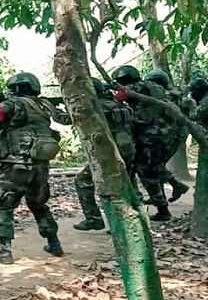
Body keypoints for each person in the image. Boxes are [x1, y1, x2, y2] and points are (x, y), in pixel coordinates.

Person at [0, 72, 72, 264]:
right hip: (40, 165)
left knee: (4, 204)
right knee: (38, 203)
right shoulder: (44, 104)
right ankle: (54, 243)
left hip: (16, 165)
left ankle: (5, 251)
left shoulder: (12, 104)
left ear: (15, 89)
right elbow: (66, 119)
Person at [111, 65, 176, 221]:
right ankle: (167, 197)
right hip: (158, 135)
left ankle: (161, 208)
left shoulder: (134, 88)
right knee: (150, 169)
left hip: (149, 136)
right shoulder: (151, 87)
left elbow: (118, 99)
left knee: (146, 171)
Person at [73, 78, 135, 231]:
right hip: (127, 149)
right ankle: (130, 221)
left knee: (83, 181)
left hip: (110, 152)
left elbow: (71, 119)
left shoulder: (98, 108)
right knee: (125, 185)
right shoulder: (119, 105)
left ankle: (95, 219)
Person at [144, 70, 192, 203]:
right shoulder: (177, 96)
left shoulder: (161, 97)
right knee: (157, 164)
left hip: (164, 136)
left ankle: (176, 186)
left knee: (155, 165)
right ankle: (159, 196)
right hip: (174, 136)